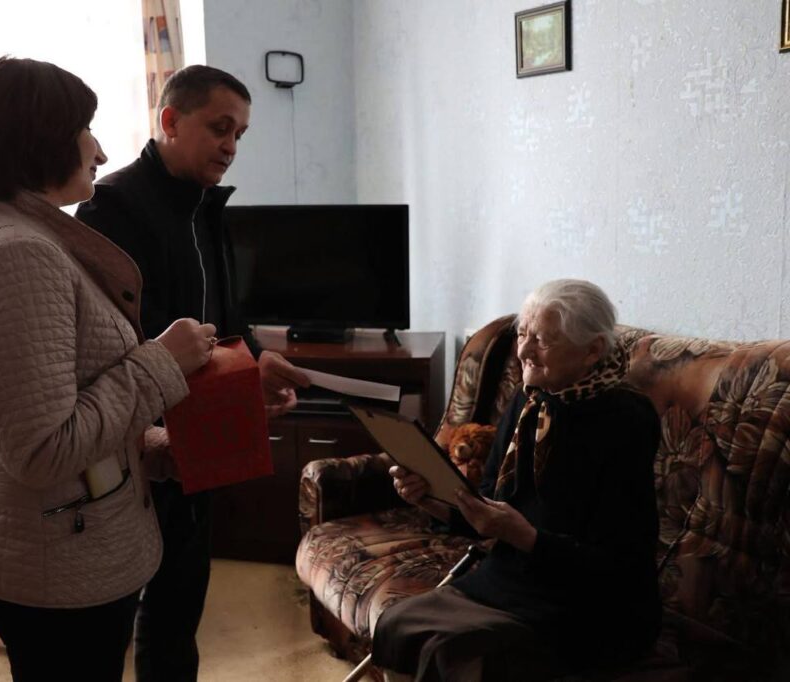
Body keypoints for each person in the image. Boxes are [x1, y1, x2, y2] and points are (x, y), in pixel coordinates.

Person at [0, 56, 216, 682]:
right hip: (54, 568)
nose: (100, 150)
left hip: (71, 547)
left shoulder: (24, 236)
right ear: (38, 139)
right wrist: (161, 362)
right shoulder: (18, 254)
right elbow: (43, 450)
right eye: (85, 129)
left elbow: (68, 400)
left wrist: (149, 447)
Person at [75, 64, 310, 681]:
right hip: (130, 442)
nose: (231, 146)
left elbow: (224, 319)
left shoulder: (208, 206)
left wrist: (254, 362)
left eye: (240, 135)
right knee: (109, 622)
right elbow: (100, 343)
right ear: (171, 121)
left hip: (197, 442)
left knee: (178, 608)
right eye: (220, 128)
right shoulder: (109, 209)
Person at [374, 279, 661, 682]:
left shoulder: (627, 421)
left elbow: (619, 564)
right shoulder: (528, 401)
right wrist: (429, 499)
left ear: (593, 350)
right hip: (511, 579)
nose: (523, 351)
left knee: (453, 653)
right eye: (523, 334)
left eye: (542, 340)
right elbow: (487, 506)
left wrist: (525, 537)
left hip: (590, 606)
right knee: (396, 625)